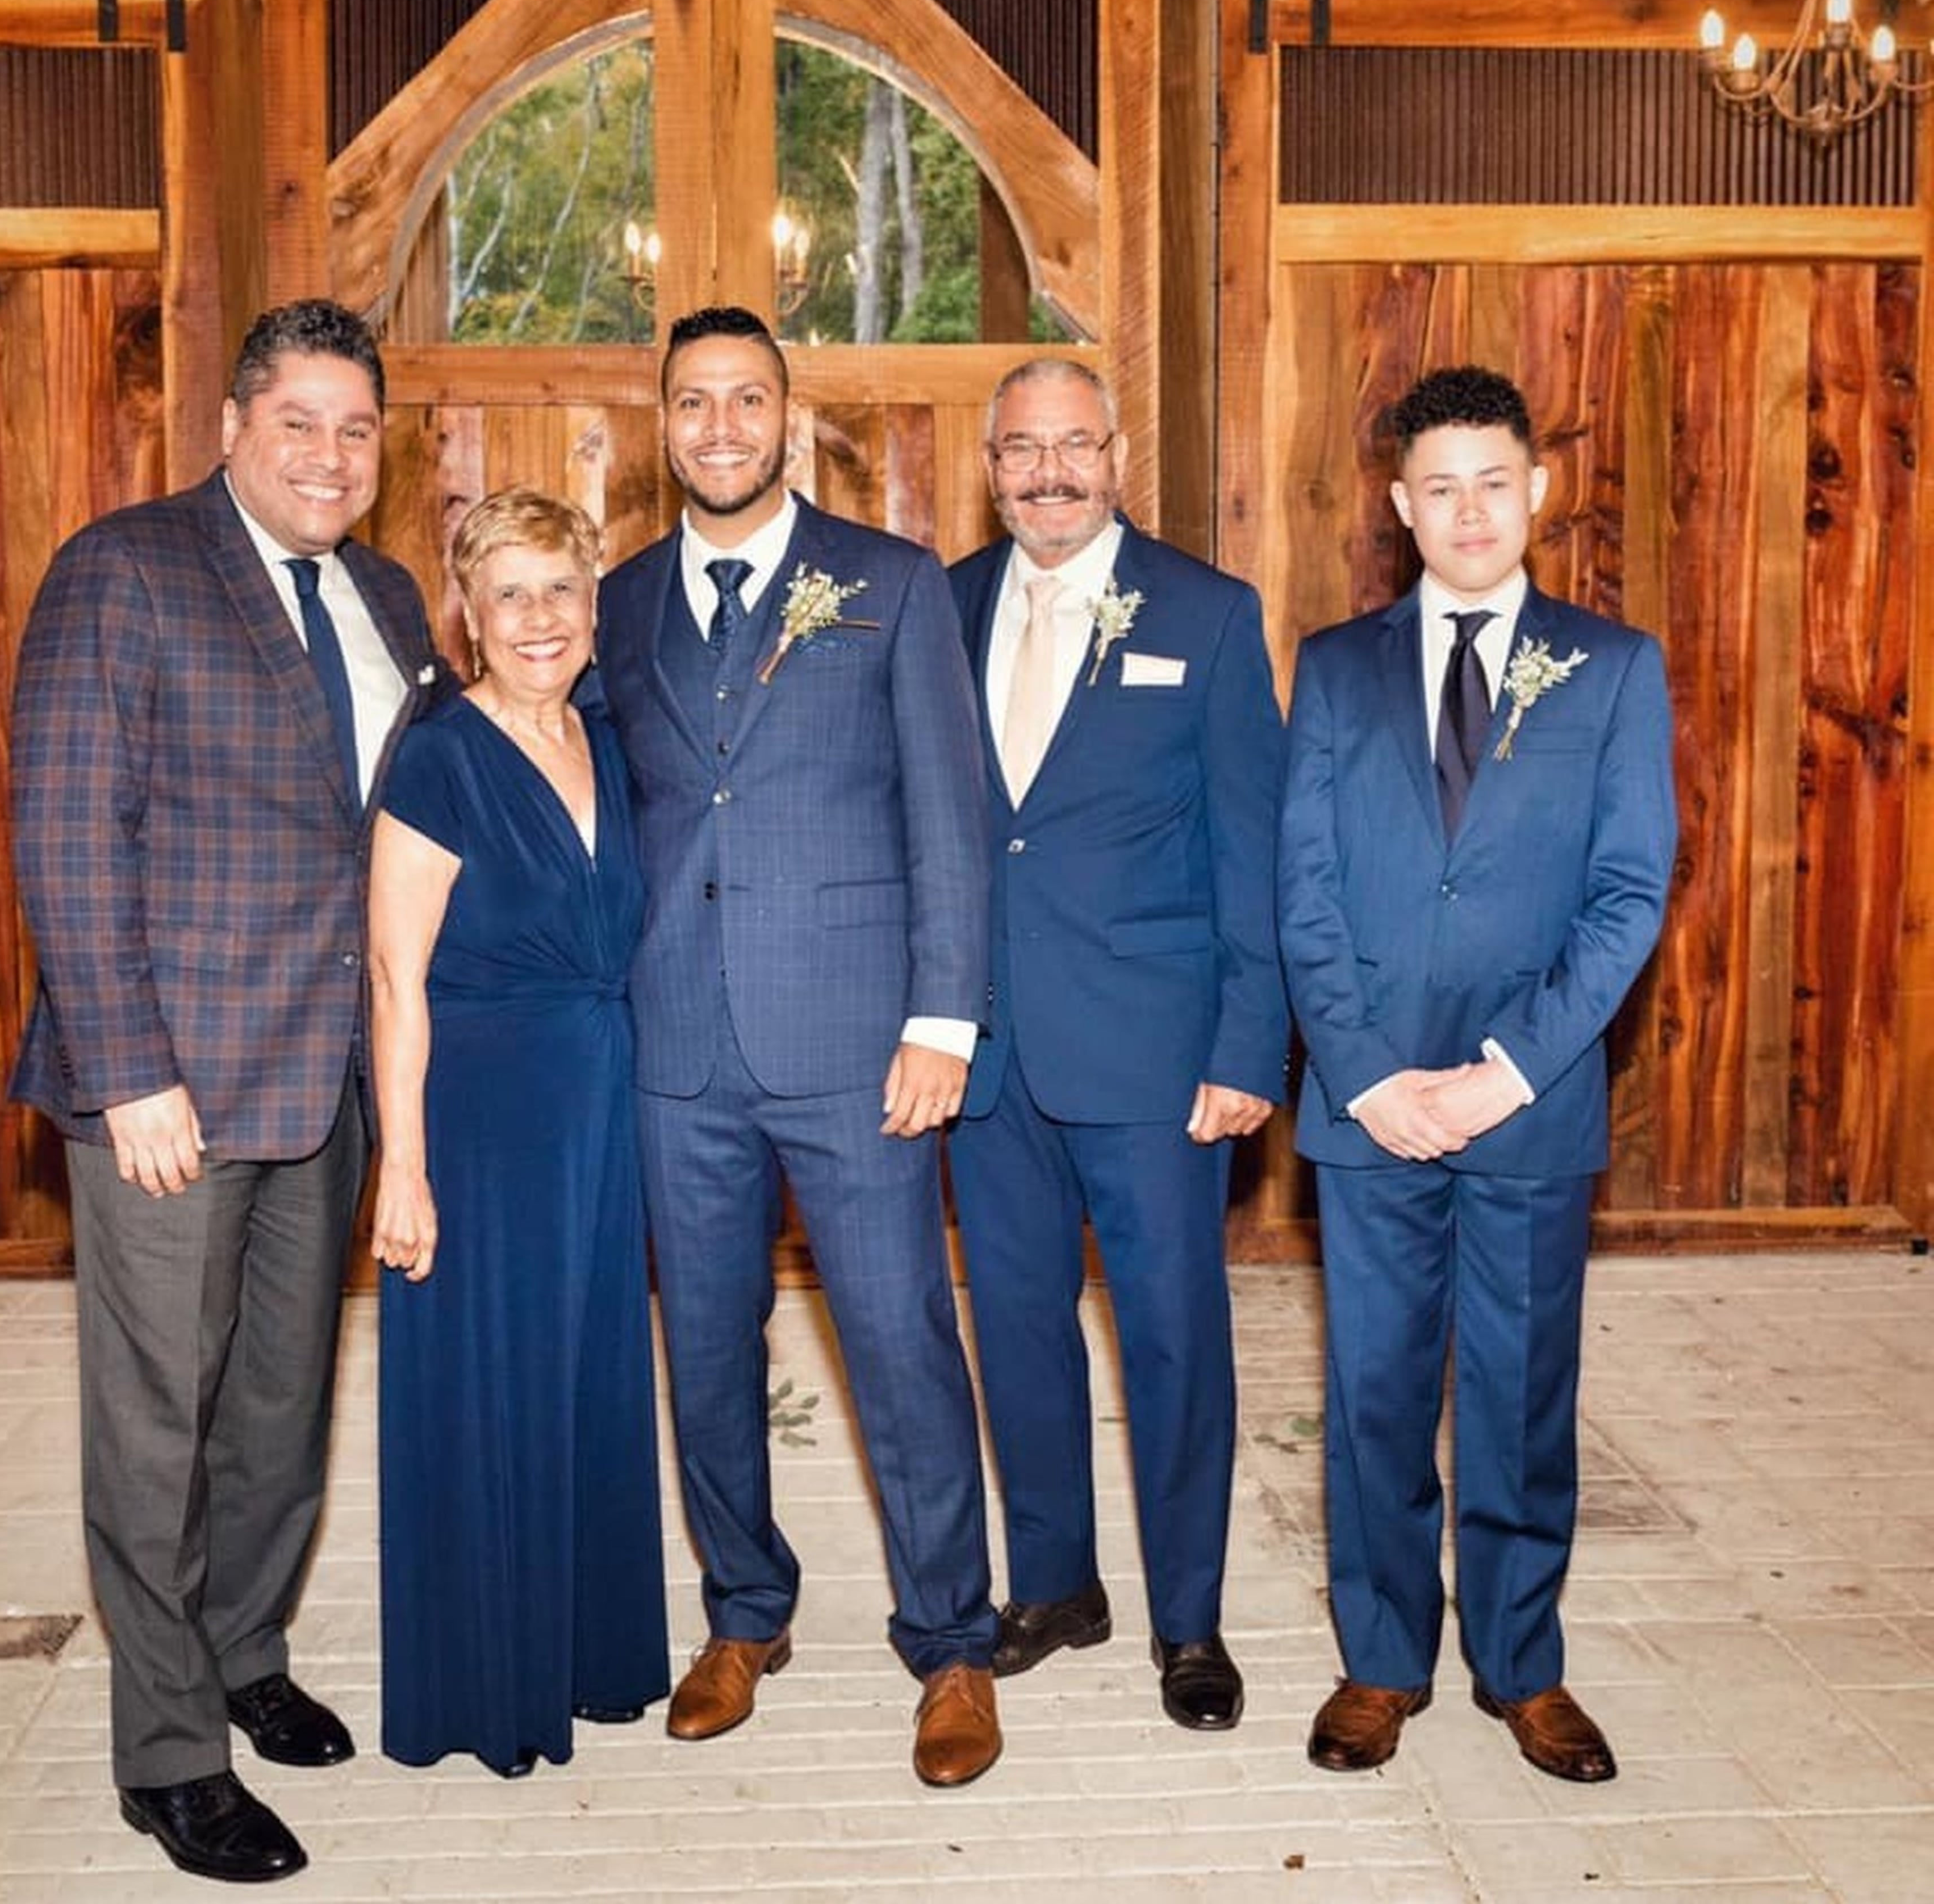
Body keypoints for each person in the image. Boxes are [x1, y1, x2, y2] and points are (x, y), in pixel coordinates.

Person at [9, 300, 440, 1884]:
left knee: (277, 1408)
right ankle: (169, 1750)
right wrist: (126, 1074)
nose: (329, 453)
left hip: (321, 1079)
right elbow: (64, 831)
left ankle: (246, 1651)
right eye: (298, 422)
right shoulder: (122, 572)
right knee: (156, 1422)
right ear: (232, 428)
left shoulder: (390, 595)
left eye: (355, 427)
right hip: (169, 1094)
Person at [594, 305, 1002, 1786]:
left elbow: (953, 817)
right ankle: (744, 1611)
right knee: (704, 1353)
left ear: (789, 416)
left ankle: (952, 1640)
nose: (719, 426)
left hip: (854, 1048)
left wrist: (943, 1020)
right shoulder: (623, 601)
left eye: (746, 399)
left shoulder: (888, 586)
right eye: (692, 402)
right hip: (677, 1050)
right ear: (664, 424)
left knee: (900, 1348)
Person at [1278, 365, 1676, 1785]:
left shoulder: (1613, 667)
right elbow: (1304, 892)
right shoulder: (1333, 667)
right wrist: (1372, 1075)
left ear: (1536, 493)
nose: (1467, 511)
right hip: (1370, 1103)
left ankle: (1524, 1664)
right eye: (1437, 487)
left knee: (1517, 1398)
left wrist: (1506, 1074)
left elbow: (1631, 894)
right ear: (1399, 504)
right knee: (1377, 1392)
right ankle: (1382, 1662)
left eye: (1492, 483)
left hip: (1530, 1100)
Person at [945, 359, 1286, 1731]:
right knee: (1018, 1329)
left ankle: (1189, 1620)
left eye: (1073, 446)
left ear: (1119, 452)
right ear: (991, 461)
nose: (1048, 472)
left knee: (1172, 1338)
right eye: (1022, 450)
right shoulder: (946, 602)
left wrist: (1251, 1043)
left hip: (1155, 1052)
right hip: (985, 1054)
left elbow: (1252, 848)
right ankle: (1054, 1586)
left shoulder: (1206, 614)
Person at [367, 487, 669, 1777]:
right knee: (494, 1383)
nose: (538, 616)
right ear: (467, 616)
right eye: (509, 593)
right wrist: (406, 1166)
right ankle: (489, 1682)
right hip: (486, 1117)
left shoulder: (608, 732)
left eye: (560, 588)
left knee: (590, 1373)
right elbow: (394, 978)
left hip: (601, 1104)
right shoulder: (439, 756)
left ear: (594, 605)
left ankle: (591, 1654)